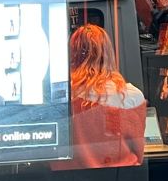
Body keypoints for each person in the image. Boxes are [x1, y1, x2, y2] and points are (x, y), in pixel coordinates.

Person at [62, 24, 146, 169]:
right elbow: (139, 150)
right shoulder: (133, 96)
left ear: (72, 53)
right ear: (109, 53)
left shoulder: (62, 96)